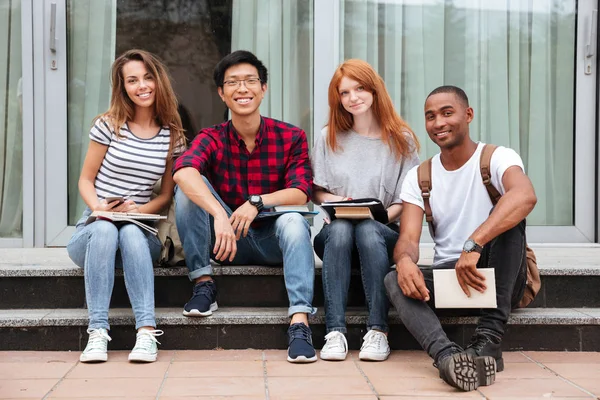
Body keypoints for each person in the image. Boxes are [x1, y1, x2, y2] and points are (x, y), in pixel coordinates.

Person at [384, 85, 537, 391]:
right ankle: (448, 357)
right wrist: (403, 261)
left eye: (446, 113)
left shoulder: (496, 157)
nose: (438, 122)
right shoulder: (419, 176)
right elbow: (409, 238)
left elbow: (525, 196)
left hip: (500, 277)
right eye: (430, 116)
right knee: (392, 279)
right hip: (452, 281)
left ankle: (489, 340)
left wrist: (474, 243)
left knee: (510, 222)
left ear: (468, 115)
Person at [173, 50, 317, 363]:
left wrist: (257, 202)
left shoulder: (291, 136)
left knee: (294, 221)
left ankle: (300, 323)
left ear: (263, 88)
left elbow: (301, 191)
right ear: (222, 94)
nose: (243, 89)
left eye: (250, 81)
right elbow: (184, 171)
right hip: (226, 243)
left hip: (272, 241)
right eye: (233, 83)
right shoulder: (211, 137)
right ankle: (203, 284)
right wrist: (219, 215)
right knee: (186, 190)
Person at [67, 49, 186, 363]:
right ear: (123, 87)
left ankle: (146, 333)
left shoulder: (172, 135)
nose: (142, 85)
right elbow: (85, 180)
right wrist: (99, 208)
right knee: (106, 228)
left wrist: (138, 211)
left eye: (147, 77)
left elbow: (165, 195)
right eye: (132, 80)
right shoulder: (109, 125)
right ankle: (97, 333)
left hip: (139, 231)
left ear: (158, 81)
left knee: (131, 233)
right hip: (93, 233)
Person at [312, 59, 420, 361]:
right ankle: (334, 332)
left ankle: (378, 331)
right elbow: (316, 190)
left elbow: (405, 200)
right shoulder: (327, 137)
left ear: (374, 90)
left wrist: (379, 216)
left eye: (359, 88)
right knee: (344, 228)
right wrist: (339, 202)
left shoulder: (401, 140)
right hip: (336, 234)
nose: (353, 98)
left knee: (369, 229)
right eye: (344, 93)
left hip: (381, 234)